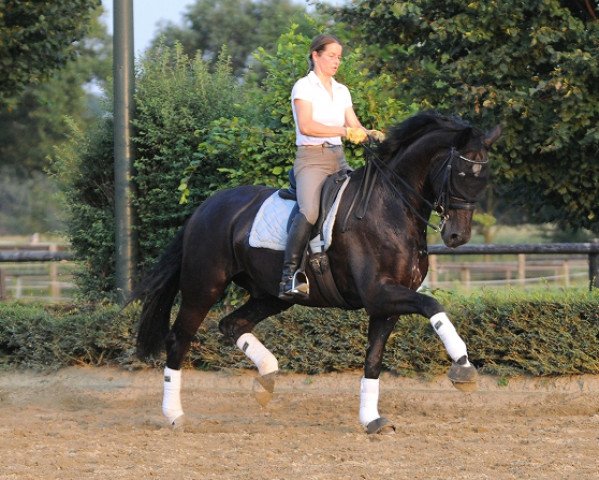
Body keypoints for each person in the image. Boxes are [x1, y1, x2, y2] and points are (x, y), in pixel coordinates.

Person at [278, 34, 384, 300]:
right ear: (316, 55)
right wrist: (345, 131)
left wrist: (369, 132)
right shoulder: (304, 86)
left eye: (339, 56)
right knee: (310, 211)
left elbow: (354, 124)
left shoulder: (341, 90)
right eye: (332, 56)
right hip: (311, 159)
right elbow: (307, 126)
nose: (337, 61)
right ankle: (289, 276)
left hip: (338, 159)